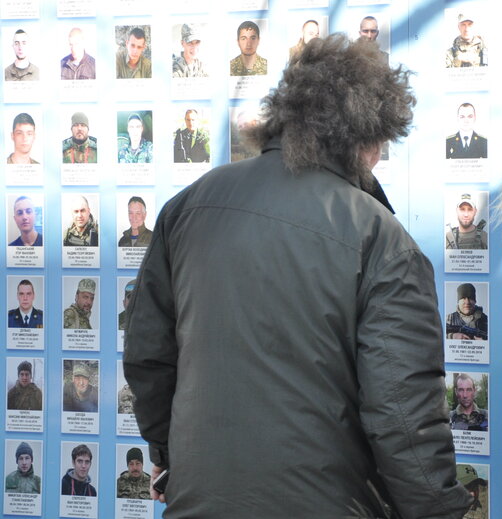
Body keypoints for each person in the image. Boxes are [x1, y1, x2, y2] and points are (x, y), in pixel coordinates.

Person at [123, 34, 472, 518]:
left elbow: (148, 357)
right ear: (368, 135)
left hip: (200, 499)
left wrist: (172, 457)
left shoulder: (189, 206)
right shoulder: (379, 237)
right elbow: (401, 413)